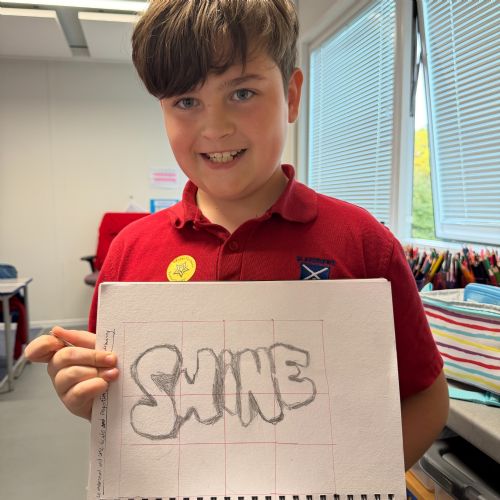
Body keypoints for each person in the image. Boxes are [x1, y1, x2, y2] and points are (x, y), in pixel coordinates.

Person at [25, 0, 448, 470]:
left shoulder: (363, 242)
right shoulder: (130, 251)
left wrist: (358, 478)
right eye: (186, 102)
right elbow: (128, 405)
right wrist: (88, 398)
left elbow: (426, 396)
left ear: (291, 96)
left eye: (242, 93)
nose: (216, 128)